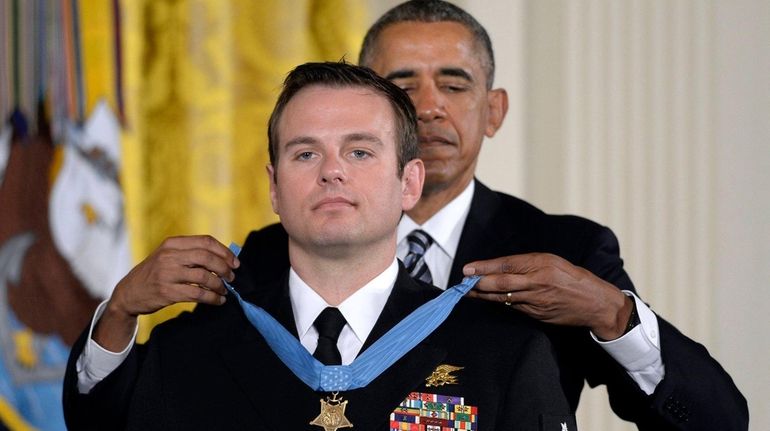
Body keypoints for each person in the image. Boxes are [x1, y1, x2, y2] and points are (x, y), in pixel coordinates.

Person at [239, 1, 748, 430]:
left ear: (495, 111)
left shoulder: (565, 248)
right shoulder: (272, 251)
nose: (429, 107)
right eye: (402, 86)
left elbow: (719, 421)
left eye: (455, 85)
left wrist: (614, 316)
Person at [62, 62, 575, 430]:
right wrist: (120, 311)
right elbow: (98, 419)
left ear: (409, 183)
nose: (332, 170)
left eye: (359, 151)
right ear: (274, 188)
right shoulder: (187, 350)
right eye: (305, 153)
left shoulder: (503, 353)